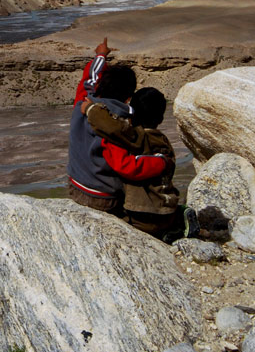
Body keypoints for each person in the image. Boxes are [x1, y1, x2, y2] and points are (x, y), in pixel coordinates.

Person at [66, 38, 196, 241]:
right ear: (128, 98)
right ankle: (169, 223)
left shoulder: (82, 102)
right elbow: (125, 165)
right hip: (103, 198)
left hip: (74, 186)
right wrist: (162, 162)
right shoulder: (118, 126)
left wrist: (100, 55)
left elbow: (89, 78)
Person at [82, 87, 194, 241]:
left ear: (131, 114)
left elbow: (126, 164)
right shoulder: (163, 141)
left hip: (142, 217)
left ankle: (166, 232)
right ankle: (178, 221)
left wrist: (106, 138)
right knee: (167, 217)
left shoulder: (132, 140)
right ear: (160, 119)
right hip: (168, 211)